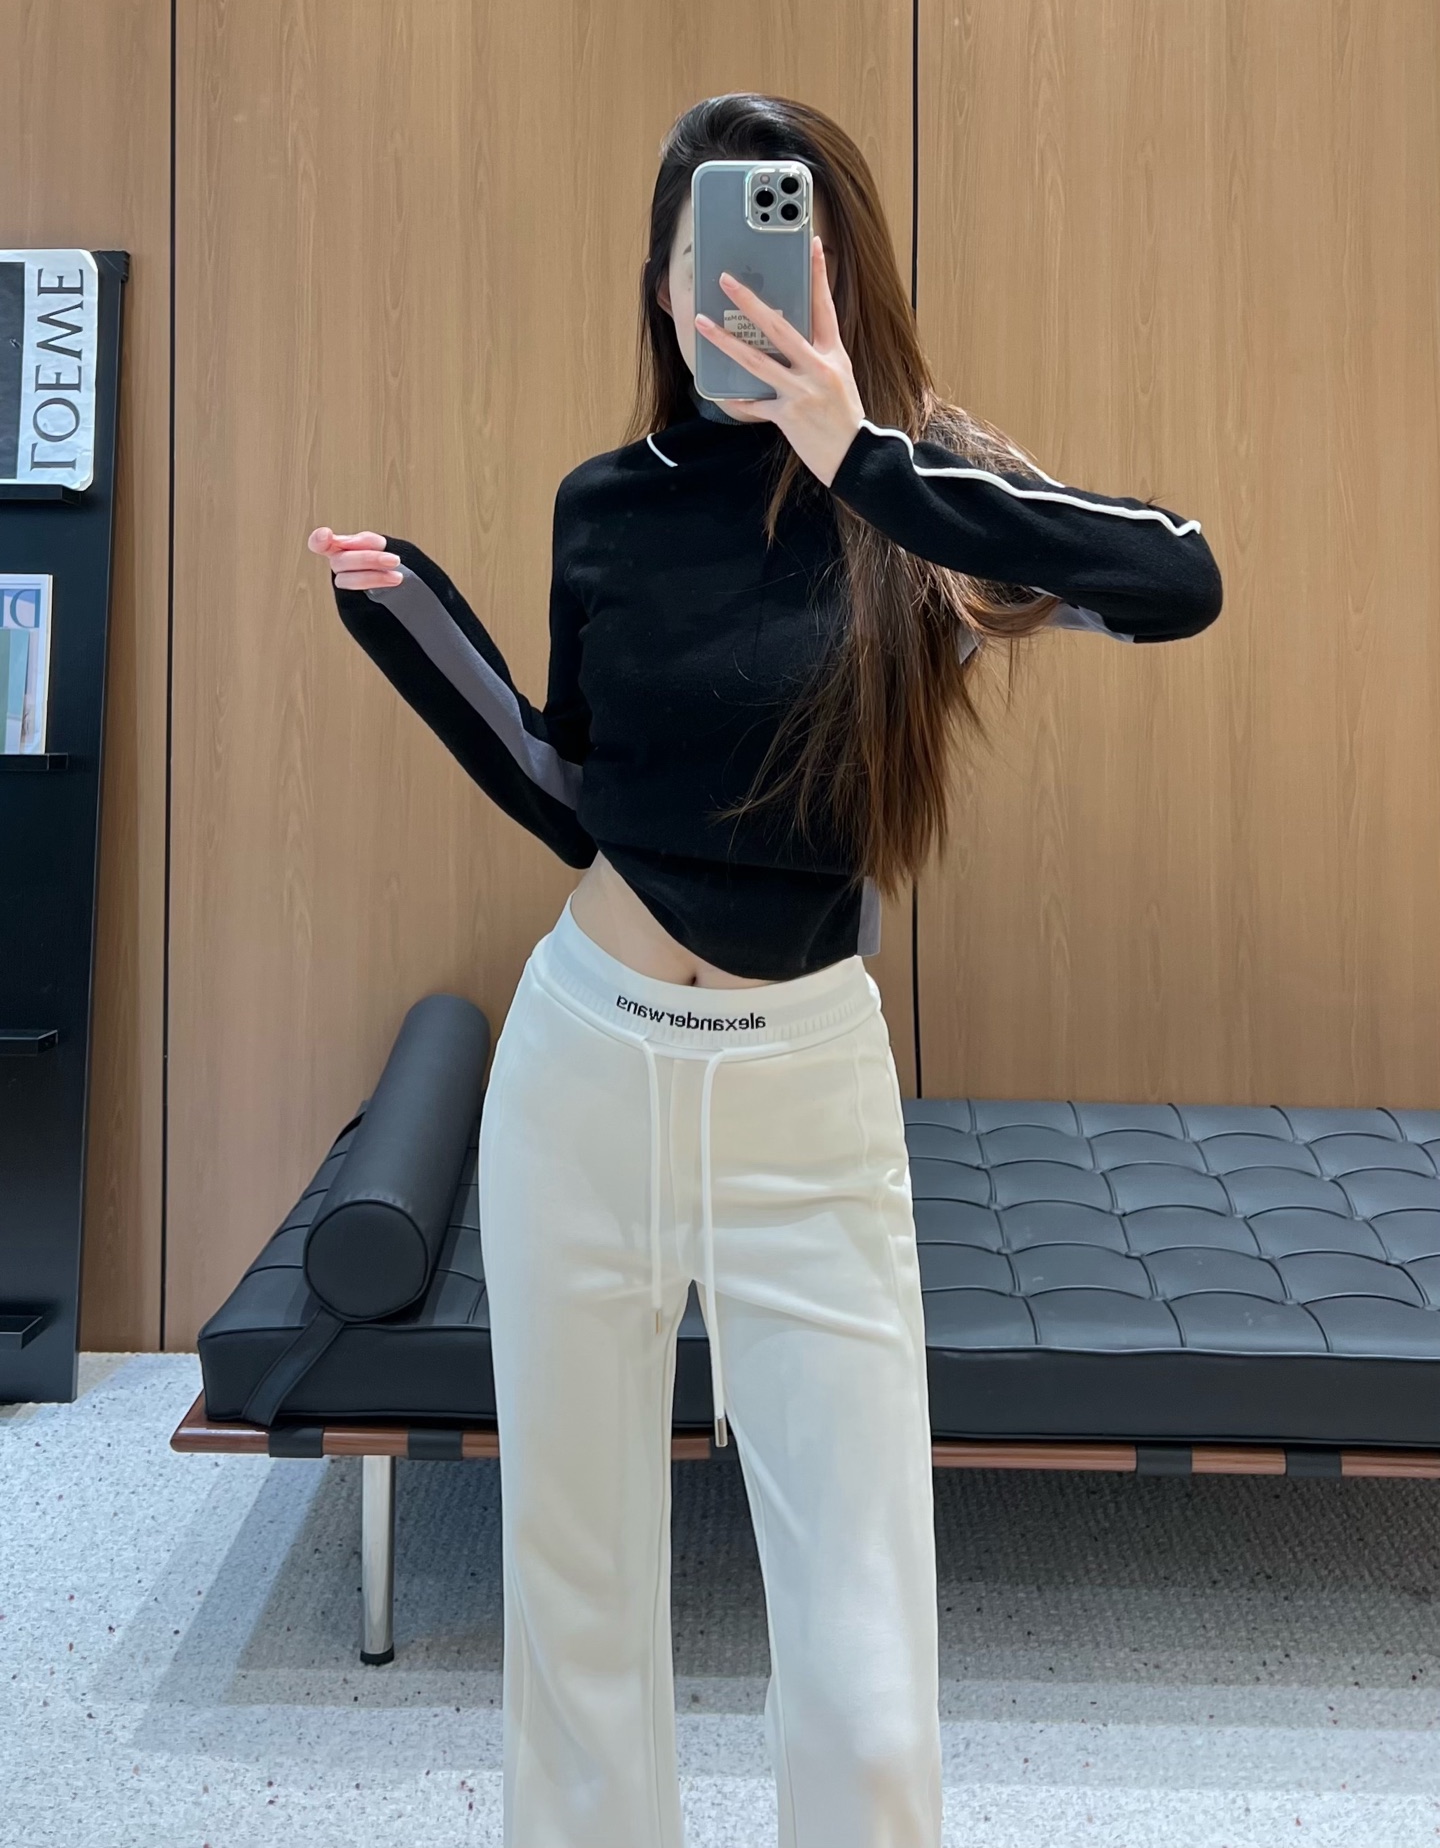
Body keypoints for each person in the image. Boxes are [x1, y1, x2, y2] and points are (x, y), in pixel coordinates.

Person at [307, 91, 1223, 1847]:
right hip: (583, 1074)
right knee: (576, 1609)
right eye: (695, 262)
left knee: (868, 1667)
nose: (727, 294)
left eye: (770, 257)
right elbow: (577, 798)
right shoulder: (606, 507)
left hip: (808, 1099)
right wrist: (420, 635)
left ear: (836, 279)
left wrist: (867, 461)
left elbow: (1178, 579)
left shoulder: (922, 500)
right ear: (661, 293)